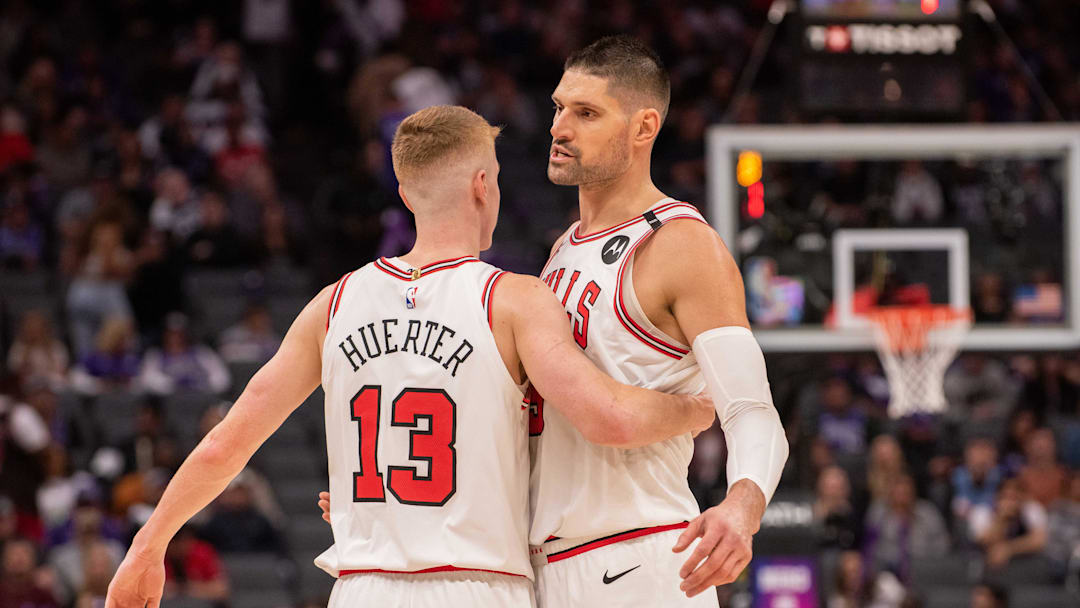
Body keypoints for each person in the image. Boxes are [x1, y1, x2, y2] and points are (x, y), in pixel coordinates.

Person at [105, 105, 713, 608]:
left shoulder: (333, 303)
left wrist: (148, 545)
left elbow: (225, 445)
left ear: (404, 191)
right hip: (475, 587)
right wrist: (695, 409)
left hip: (362, 588)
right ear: (483, 184)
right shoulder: (514, 300)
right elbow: (608, 419)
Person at [527, 35, 787, 605]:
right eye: (558, 107)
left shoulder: (681, 245)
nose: (559, 128)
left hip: (636, 558)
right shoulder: (562, 250)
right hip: (548, 563)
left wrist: (742, 506)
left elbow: (750, 409)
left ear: (644, 127)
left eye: (586, 113)